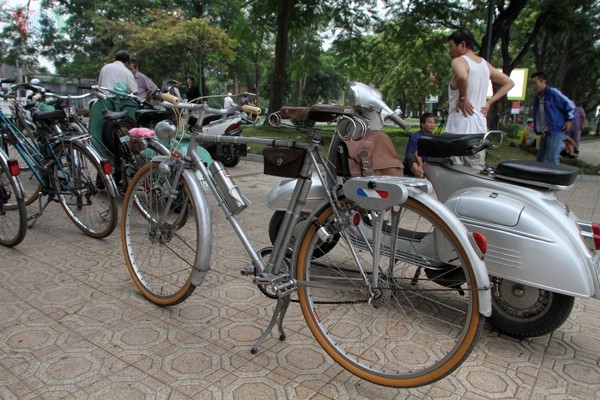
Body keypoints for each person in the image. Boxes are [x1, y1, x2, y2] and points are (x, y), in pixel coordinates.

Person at [446, 28, 514, 169]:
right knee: (476, 174)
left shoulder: (459, 61)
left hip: (458, 131)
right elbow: (509, 83)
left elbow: (463, 76)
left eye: (451, 47)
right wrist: (490, 102)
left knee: (455, 175)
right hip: (479, 132)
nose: (450, 51)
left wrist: (463, 97)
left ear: (462, 45)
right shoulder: (485, 65)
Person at [530, 72, 575, 165]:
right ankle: (541, 178)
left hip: (555, 130)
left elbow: (570, 105)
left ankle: (556, 178)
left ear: (543, 82)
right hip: (544, 132)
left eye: (535, 83)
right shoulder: (538, 97)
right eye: (532, 84)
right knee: (541, 159)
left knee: (551, 158)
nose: (533, 86)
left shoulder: (553, 93)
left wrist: (569, 120)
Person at [404, 113, 436, 178]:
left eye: (433, 123)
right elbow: (415, 152)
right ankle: (420, 176)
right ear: (422, 124)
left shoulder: (434, 138)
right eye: (430, 122)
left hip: (428, 164)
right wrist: (420, 165)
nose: (432, 125)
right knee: (410, 156)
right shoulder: (415, 136)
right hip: (416, 163)